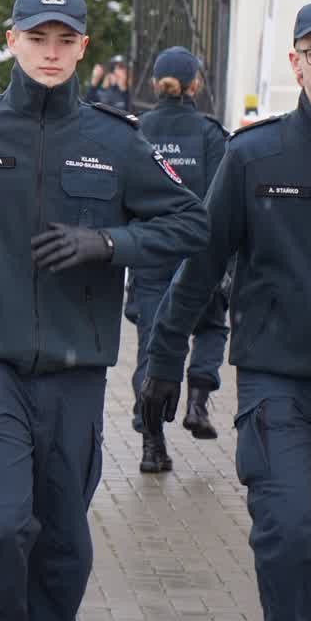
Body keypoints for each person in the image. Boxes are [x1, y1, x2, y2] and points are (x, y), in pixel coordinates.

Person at [0, 0, 208, 621]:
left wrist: (110, 243)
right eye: (37, 38)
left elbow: (190, 222)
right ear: (12, 41)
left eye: (65, 40)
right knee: (2, 528)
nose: (50, 51)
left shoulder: (117, 141)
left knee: (62, 549)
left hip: (75, 374)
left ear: (83, 48)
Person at [142, 0, 311, 621]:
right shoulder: (256, 156)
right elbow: (201, 262)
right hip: (275, 382)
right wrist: (164, 360)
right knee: (289, 533)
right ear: (296, 63)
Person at [128, 46, 229, 473]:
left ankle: (152, 443)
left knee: (152, 343)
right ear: (196, 85)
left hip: (151, 251)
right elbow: (222, 201)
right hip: (197, 252)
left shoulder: (136, 131)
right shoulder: (210, 133)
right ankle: (198, 401)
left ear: (154, 85)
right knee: (210, 325)